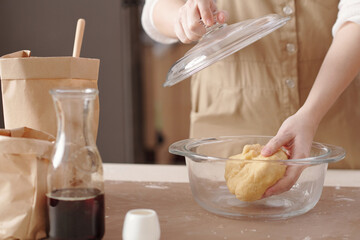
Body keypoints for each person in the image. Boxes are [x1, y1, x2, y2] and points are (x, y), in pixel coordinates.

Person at [141, 0, 360, 197]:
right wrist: (182, 18)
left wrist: (311, 114)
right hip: (224, 138)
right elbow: (154, 9)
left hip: (330, 125)